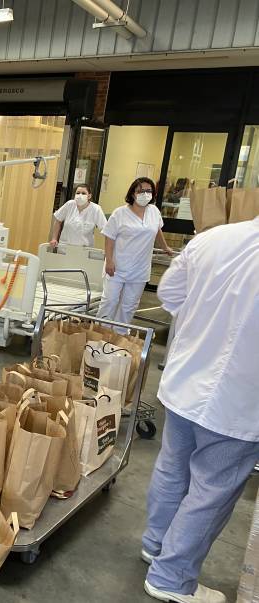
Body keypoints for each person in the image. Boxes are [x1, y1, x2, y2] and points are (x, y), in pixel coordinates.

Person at [141, 216, 259, 603]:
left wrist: (202, 323)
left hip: (186, 380)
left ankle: (156, 546)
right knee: (211, 489)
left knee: (172, 468)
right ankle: (171, 578)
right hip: (237, 400)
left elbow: (170, 293)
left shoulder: (214, 239)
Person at [96, 177, 173, 331]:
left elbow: (157, 230)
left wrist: (165, 247)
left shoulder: (154, 211)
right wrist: (109, 260)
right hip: (117, 268)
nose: (145, 194)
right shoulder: (120, 213)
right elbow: (109, 237)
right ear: (133, 193)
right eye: (140, 191)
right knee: (109, 302)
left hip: (140, 269)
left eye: (148, 191)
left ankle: (119, 335)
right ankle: (100, 334)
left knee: (129, 305)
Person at [49, 183, 107, 248]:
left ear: (89, 196)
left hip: (84, 249)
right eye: (78, 193)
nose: (80, 195)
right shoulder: (70, 204)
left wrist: (109, 249)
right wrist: (54, 238)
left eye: (83, 193)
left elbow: (105, 229)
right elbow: (58, 220)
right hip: (65, 247)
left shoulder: (96, 209)